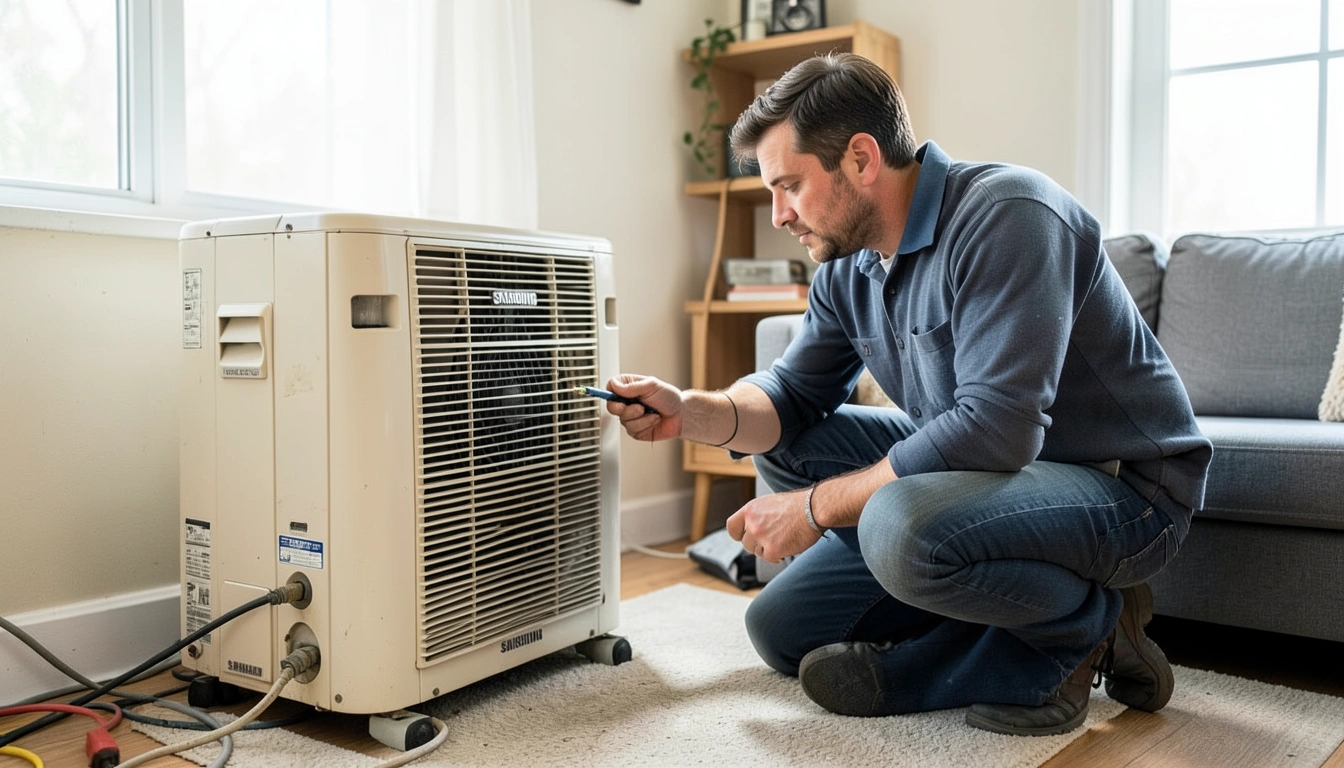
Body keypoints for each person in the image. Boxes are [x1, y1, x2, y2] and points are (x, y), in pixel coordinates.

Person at [605, 52, 1212, 737]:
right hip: (996, 484)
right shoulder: (849, 267)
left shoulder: (1008, 213)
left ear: (861, 159)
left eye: (790, 186)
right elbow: (791, 398)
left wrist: (814, 507)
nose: (778, 214)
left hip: (1124, 491)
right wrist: (687, 411)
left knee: (899, 525)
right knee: (779, 629)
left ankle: (1082, 625)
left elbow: (998, 429)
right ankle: (1015, 615)